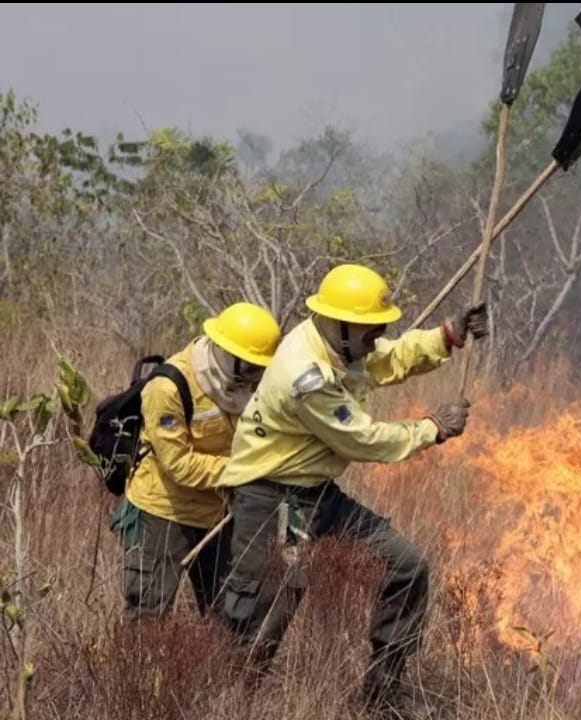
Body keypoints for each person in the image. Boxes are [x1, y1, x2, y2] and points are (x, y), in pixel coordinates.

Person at [214, 263, 484, 714]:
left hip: (318, 494)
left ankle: (383, 696)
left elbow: (383, 360)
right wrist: (431, 429)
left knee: (406, 566)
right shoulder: (306, 374)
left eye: (377, 331)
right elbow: (360, 437)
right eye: (368, 332)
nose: (374, 340)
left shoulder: (335, 342)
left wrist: (446, 337)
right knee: (266, 615)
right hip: (274, 500)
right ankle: (228, 705)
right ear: (339, 325)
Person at [111, 301, 283, 621]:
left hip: (219, 513)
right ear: (224, 352)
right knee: (148, 616)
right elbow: (179, 465)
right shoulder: (168, 387)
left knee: (230, 615)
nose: (255, 377)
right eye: (248, 367)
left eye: (261, 368)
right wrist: (245, 471)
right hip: (162, 514)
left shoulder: (248, 386)